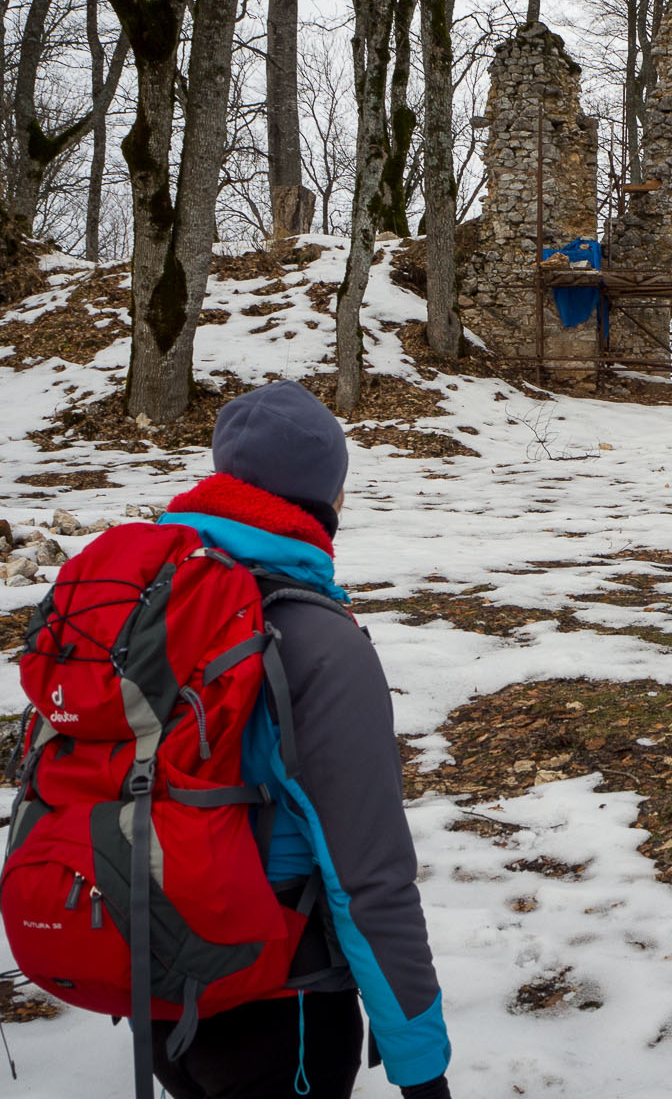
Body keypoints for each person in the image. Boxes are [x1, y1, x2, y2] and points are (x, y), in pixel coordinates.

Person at [151, 379, 451, 1099]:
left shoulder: (152, 596)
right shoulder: (316, 640)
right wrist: (422, 1070)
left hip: (155, 976)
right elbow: (367, 876)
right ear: (329, 497)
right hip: (277, 997)